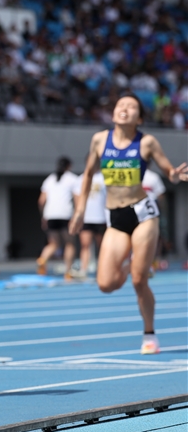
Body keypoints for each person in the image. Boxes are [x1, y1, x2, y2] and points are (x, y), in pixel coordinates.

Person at [69, 93, 188, 354]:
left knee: (138, 281)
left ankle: (149, 335)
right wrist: (79, 210)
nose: (124, 109)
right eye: (120, 105)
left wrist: (175, 175)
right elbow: (88, 174)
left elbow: (168, 169)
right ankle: (132, 265)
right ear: (113, 113)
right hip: (116, 216)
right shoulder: (100, 140)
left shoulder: (146, 142)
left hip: (143, 214)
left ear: (140, 117)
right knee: (106, 284)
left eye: (131, 107)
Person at [37, 156, 79, 278]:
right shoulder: (72, 179)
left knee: (53, 244)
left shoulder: (49, 180)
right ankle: (68, 272)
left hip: (50, 215)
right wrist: (77, 215)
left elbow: (41, 201)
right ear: (69, 166)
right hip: (65, 215)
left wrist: (43, 216)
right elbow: (77, 199)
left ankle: (42, 260)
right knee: (70, 243)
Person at [72, 165, 106, 278]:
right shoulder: (81, 179)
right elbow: (77, 199)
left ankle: (102, 269)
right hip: (86, 218)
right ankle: (84, 269)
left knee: (102, 246)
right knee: (85, 245)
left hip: (101, 217)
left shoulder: (105, 177)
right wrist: (77, 217)